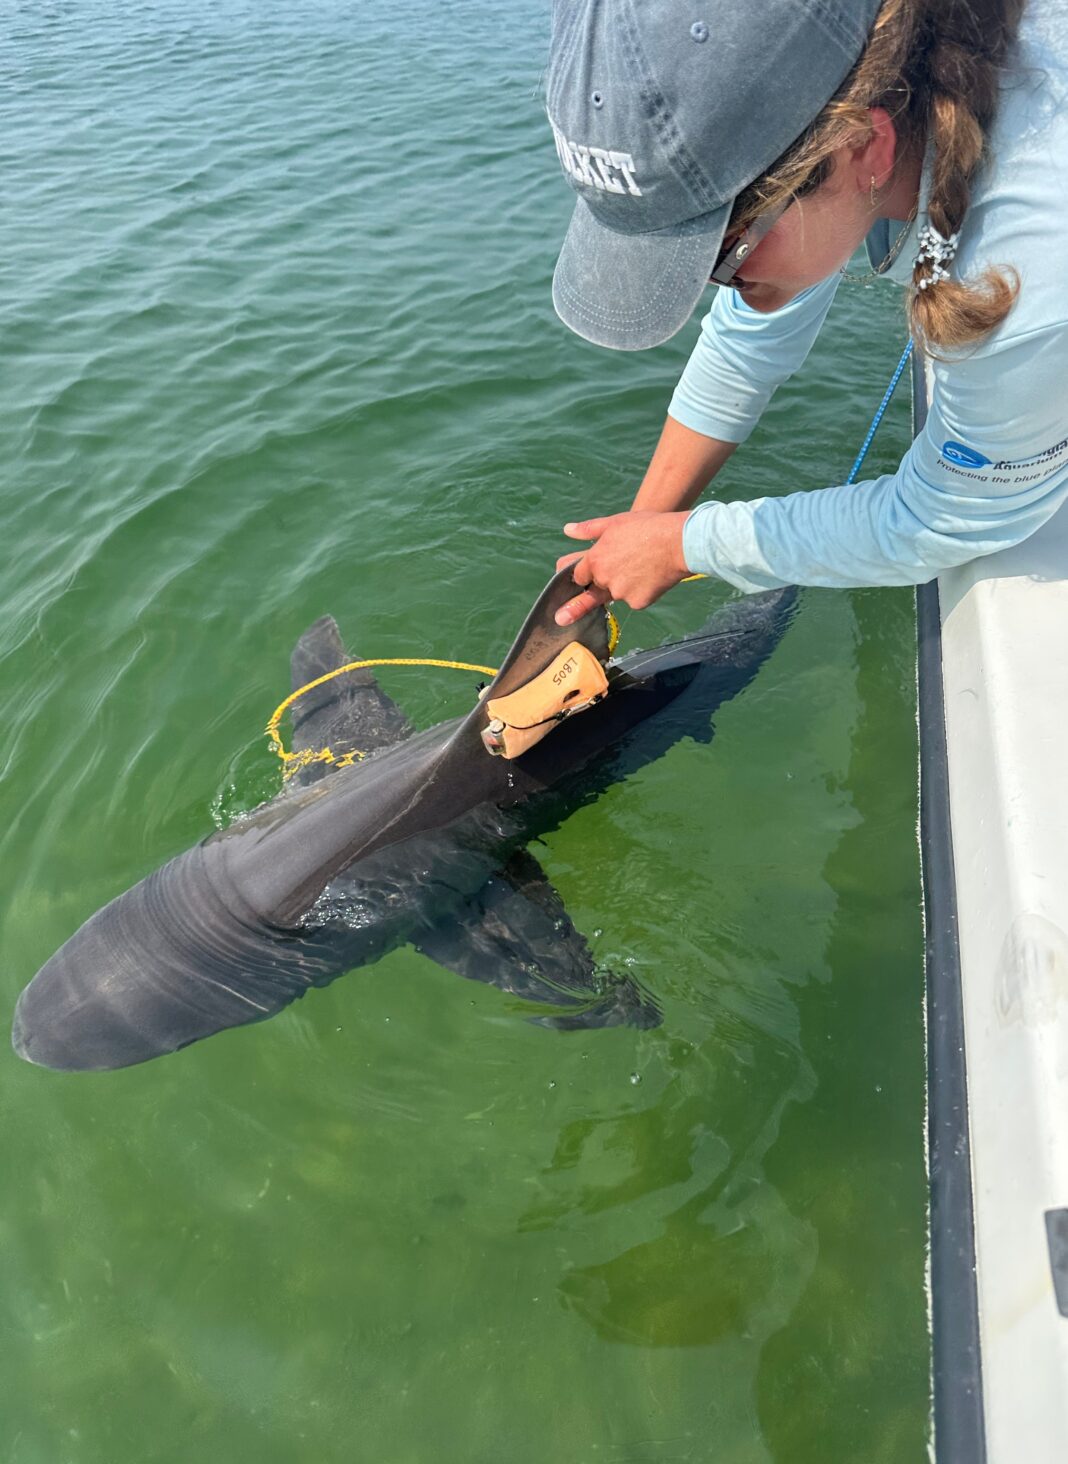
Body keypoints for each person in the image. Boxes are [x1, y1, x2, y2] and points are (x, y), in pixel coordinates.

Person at [544, 0, 1068, 628]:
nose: (713, 284)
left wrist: (686, 546)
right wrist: (639, 533)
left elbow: (951, 516)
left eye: (724, 247)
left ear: (867, 146)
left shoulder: (1027, 265)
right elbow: (749, 342)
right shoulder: (865, 90)